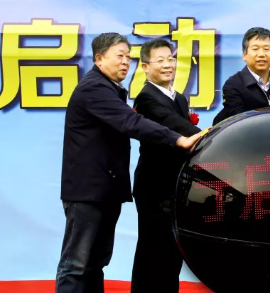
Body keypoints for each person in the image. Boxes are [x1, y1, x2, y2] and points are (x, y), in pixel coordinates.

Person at [56, 33, 201, 293]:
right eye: (119, 56)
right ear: (99, 59)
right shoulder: (94, 89)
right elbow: (132, 122)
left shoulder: (112, 89)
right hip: (87, 191)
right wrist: (178, 139)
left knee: (95, 263)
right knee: (77, 264)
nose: (125, 62)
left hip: (105, 189)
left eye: (127, 56)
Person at [130, 39, 202, 293]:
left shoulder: (179, 98)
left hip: (175, 186)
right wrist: (209, 135)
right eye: (159, 60)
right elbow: (174, 124)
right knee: (152, 250)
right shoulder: (146, 98)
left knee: (172, 252)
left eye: (170, 59)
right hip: (154, 186)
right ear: (145, 67)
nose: (167, 65)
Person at [213, 27, 270, 125]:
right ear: (244, 55)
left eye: (266, 49)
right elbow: (237, 123)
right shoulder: (233, 85)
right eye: (255, 49)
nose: (261, 54)